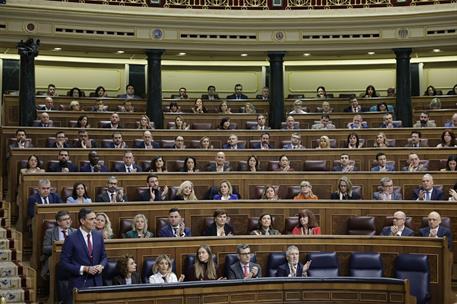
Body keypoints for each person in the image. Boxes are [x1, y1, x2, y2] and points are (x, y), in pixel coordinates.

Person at [59, 208, 107, 299]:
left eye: (95, 219)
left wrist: (101, 266)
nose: (95, 222)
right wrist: (84, 268)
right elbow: (63, 263)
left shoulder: (98, 236)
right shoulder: (71, 238)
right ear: (82, 221)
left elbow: (104, 256)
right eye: (91, 219)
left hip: (97, 283)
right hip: (79, 284)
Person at [41, 211, 76, 280]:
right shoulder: (50, 232)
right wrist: (58, 247)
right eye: (65, 220)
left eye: (68, 219)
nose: (68, 222)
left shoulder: (75, 232)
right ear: (59, 222)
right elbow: (45, 249)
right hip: (56, 259)